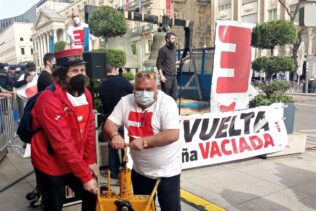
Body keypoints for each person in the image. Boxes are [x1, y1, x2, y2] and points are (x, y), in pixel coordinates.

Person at [31, 49, 98, 211]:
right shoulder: (49, 99)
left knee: (91, 194)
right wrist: (84, 175)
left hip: (73, 158)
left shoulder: (86, 94)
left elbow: (89, 129)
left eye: (82, 70)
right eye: (75, 71)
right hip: (50, 161)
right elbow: (62, 142)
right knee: (54, 204)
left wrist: (90, 160)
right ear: (62, 74)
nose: (80, 74)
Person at [104, 71, 181, 211]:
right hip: (140, 172)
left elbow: (172, 134)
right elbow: (109, 124)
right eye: (139, 89)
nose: (143, 93)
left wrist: (145, 142)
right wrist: (115, 135)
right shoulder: (125, 101)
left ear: (156, 88)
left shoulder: (167, 103)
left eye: (148, 89)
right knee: (142, 208)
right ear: (133, 89)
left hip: (167, 173)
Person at [99, 63, 133, 179]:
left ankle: (113, 172)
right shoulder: (122, 80)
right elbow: (133, 93)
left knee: (112, 146)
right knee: (125, 145)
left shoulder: (102, 85)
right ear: (113, 69)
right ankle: (126, 170)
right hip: (123, 118)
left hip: (109, 120)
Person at [156, 32, 179, 100]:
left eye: (174, 38)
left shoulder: (174, 49)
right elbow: (158, 63)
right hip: (166, 77)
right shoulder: (162, 50)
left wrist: (180, 62)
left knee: (174, 96)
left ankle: (173, 110)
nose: (174, 40)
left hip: (174, 76)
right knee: (166, 96)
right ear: (167, 39)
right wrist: (161, 76)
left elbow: (172, 62)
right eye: (172, 38)